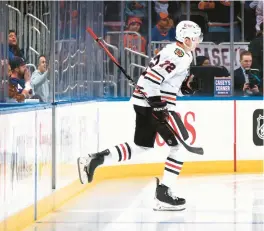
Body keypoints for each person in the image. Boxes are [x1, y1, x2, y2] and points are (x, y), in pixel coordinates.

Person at [78, 21, 203, 211]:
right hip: (154, 104)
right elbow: (153, 78)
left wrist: (184, 88)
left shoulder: (178, 52)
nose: (197, 42)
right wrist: (158, 106)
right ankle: (164, 193)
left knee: (141, 145)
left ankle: (96, 158)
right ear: (186, 39)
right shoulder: (178, 55)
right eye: (194, 39)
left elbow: (164, 81)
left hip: (145, 102)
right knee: (180, 147)